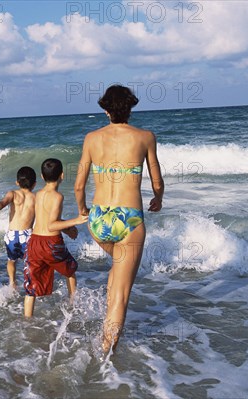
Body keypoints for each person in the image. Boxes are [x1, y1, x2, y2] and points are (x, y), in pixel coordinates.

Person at [74, 85, 164, 354]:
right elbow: (157, 180)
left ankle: (106, 334)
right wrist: (158, 198)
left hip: (99, 219)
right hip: (129, 219)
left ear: (105, 110)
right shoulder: (145, 137)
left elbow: (79, 185)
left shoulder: (91, 138)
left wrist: (83, 211)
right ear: (131, 107)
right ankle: (106, 356)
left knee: (116, 273)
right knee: (122, 294)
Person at [23, 158, 87, 317]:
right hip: (51, 244)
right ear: (62, 175)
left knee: (31, 284)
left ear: (42, 177)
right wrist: (76, 221)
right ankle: (73, 306)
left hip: (35, 242)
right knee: (70, 270)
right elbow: (52, 225)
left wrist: (67, 229)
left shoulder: (37, 194)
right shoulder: (58, 196)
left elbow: (45, 221)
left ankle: (26, 319)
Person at [0, 166, 37, 289]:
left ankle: (12, 283)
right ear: (34, 184)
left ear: (17, 182)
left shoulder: (13, 194)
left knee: (11, 260)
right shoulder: (36, 197)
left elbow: (0, 205)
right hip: (28, 235)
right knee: (30, 263)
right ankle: (30, 285)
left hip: (12, 235)